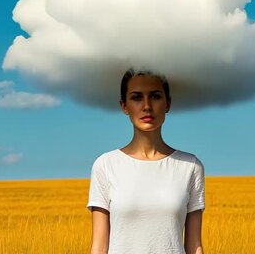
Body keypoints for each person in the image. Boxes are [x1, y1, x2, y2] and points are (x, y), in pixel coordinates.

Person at [87, 68, 205, 254]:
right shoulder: (105, 165)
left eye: (155, 96)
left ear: (168, 103)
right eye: (136, 97)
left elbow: (194, 246)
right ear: (124, 106)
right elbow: (99, 247)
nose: (147, 106)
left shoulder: (190, 166)